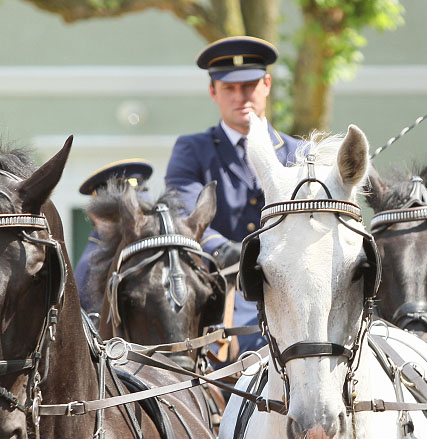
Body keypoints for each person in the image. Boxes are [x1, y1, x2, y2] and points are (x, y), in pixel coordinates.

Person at [165, 36, 301, 353]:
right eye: (229, 88)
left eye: (250, 85)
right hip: (220, 298)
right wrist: (225, 251)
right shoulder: (192, 150)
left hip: (293, 296)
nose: (241, 97)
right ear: (213, 91)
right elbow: (184, 216)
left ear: (267, 84)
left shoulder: (299, 153)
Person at [74, 159, 154, 314]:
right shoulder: (92, 266)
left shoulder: (141, 253)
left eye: (142, 215)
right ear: (97, 216)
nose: (136, 225)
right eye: (124, 216)